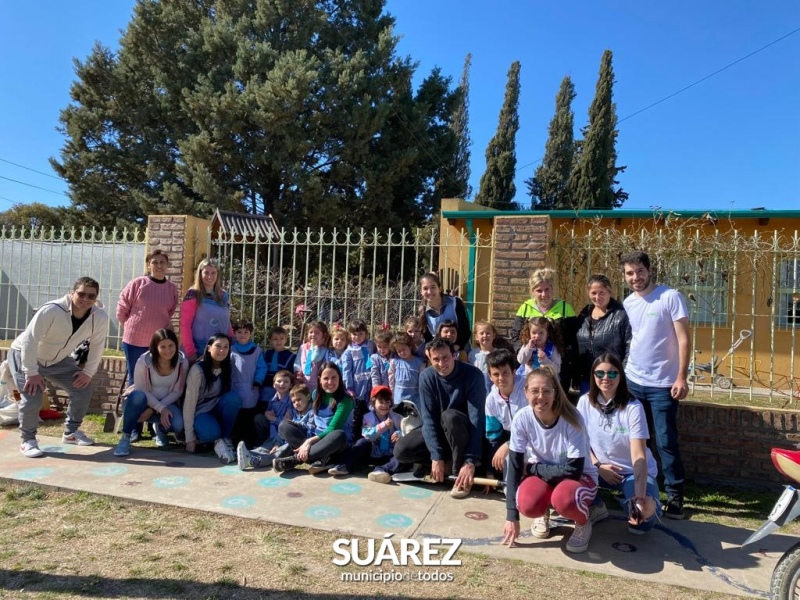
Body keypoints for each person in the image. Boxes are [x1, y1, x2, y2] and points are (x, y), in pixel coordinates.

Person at [621, 250, 690, 519]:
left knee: (665, 443)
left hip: (663, 384)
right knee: (637, 441)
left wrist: (681, 376)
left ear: (649, 271)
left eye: (639, 271)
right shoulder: (628, 303)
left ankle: (675, 497)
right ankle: (640, 490)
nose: (635, 277)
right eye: (629, 273)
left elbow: (683, 339)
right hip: (633, 381)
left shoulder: (670, 297)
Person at [10, 277, 109, 457]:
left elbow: (97, 346)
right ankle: (28, 440)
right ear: (72, 293)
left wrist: (87, 373)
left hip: (59, 360)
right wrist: (31, 372)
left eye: (91, 296)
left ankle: (71, 433)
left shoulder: (99, 317)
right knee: (33, 394)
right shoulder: (52, 310)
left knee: (83, 388)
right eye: (81, 294)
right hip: (26, 355)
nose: (86, 299)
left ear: (96, 298)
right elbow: (29, 340)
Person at [502, 367, 598, 553]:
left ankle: (583, 522)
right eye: (534, 391)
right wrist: (511, 516)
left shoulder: (572, 419)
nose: (541, 397)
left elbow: (573, 471)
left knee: (564, 499)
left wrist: (531, 469)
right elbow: (514, 466)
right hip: (547, 477)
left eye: (546, 391)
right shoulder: (522, 418)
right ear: (525, 392)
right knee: (527, 503)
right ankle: (543, 510)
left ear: (555, 392)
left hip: (579, 480)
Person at [388, 338, 486, 499]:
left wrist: (470, 461)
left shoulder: (473, 375)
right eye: (436, 359)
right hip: (441, 432)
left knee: (450, 417)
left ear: (453, 354)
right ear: (429, 358)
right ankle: (443, 463)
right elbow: (429, 420)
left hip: (463, 432)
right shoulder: (427, 376)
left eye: (445, 357)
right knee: (401, 450)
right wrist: (436, 456)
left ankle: (459, 474)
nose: (441, 364)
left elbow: (477, 420)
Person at [577, 353, 662, 535]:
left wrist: (639, 498)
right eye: (600, 374)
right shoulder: (585, 402)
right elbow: (581, 442)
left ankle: (646, 502)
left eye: (612, 374)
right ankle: (597, 505)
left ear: (620, 376)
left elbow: (639, 456)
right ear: (593, 376)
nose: (605, 378)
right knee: (570, 488)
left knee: (641, 523)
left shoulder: (633, 407)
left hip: (631, 472)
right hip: (598, 468)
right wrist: (597, 466)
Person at [116, 250, 179, 442]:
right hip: (134, 341)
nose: (159, 265)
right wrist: (131, 327)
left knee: (156, 383)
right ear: (148, 265)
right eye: (155, 262)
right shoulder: (138, 284)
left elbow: (169, 311)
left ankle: (156, 426)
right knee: (136, 385)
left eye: (162, 262)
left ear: (167, 265)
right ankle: (133, 427)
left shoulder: (171, 289)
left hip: (157, 345)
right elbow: (122, 308)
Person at [113, 329, 188, 456]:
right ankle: (125, 437)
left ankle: (159, 430)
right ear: (155, 347)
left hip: (166, 403)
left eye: (171, 346)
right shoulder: (144, 361)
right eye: (162, 347)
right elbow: (140, 389)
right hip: (141, 404)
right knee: (138, 396)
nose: (168, 350)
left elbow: (177, 391)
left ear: (176, 345)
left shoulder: (182, 362)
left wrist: (157, 409)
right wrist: (158, 408)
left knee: (178, 424)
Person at [273, 362, 354, 474]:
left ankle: (295, 460)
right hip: (315, 439)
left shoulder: (346, 401)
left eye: (333, 377)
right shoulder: (315, 394)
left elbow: (332, 429)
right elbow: (307, 414)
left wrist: (308, 443)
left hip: (335, 443)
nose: (330, 382)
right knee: (284, 425)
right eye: (326, 378)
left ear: (339, 378)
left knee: (338, 434)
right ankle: (321, 458)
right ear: (320, 380)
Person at [183, 333, 243, 464]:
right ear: (209, 348)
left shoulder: (228, 367)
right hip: (200, 411)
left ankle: (225, 439)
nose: (222, 350)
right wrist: (189, 438)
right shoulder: (198, 370)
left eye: (226, 347)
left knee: (234, 399)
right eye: (218, 346)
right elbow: (189, 403)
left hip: (215, 407)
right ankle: (202, 436)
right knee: (211, 433)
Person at [328, 385, 403, 476]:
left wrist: (399, 434)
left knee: (403, 453)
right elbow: (367, 435)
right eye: (381, 402)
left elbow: (402, 430)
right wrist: (383, 426)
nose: (384, 406)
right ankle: (344, 466)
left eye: (387, 402)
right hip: (373, 453)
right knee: (362, 442)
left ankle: (382, 471)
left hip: (389, 453)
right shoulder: (368, 417)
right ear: (373, 402)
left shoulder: (394, 417)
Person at [236, 383, 314, 471]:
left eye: (299, 400)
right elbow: (282, 431)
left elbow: (309, 431)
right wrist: (277, 443)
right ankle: (249, 454)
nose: (296, 403)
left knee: (281, 451)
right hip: (284, 439)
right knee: (270, 443)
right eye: (294, 402)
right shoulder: (292, 412)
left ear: (307, 397)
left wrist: (293, 425)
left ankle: (255, 460)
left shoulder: (312, 412)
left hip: (297, 444)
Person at [575, 274, 631, 393]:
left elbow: (629, 346)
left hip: (611, 378)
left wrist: (621, 374)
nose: (597, 296)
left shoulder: (621, 315)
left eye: (601, 292)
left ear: (609, 292)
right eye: (594, 293)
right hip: (588, 379)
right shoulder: (584, 315)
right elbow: (577, 346)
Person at [484, 349, 527, 480]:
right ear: (490, 376)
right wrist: (489, 471)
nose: (501, 378)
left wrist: (508, 444)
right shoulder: (491, 400)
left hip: (536, 440)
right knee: (509, 484)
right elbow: (493, 435)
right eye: (496, 374)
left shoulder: (528, 389)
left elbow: (537, 428)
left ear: (514, 372)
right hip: (512, 440)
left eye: (505, 373)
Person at [180, 258, 232, 364]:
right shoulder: (193, 294)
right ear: (200, 274)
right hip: (199, 351)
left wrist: (232, 342)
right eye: (206, 272)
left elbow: (227, 322)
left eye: (213, 273)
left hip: (221, 351)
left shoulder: (223, 296)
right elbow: (185, 325)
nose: (210, 276)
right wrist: (190, 351)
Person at [509, 267, 575, 349]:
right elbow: (515, 335)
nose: (544, 294)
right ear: (532, 291)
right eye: (539, 291)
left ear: (552, 289)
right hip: (530, 359)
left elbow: (573, 338)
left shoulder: (565, 308)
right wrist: (523, 355)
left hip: (557, 360)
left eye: (547, 289)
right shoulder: (525, 308)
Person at [230, 319, 269, 447]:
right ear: (234, 333)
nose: (243, 335)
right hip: (234, 388)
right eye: (239, 332)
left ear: (250, 333)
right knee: (237, 416)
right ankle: (235, 441)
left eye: (246, 332)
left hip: (251, 388)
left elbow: (262, 367)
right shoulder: (231, 349)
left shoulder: (256, 350)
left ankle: (249, 442)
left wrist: (258, 381)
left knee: (249, 416)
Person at [417, 273, 471, 353]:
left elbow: (465, 330)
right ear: (421, 291)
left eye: (433, 287)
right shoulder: (422, 311)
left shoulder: (455, 303)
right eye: (425, 288)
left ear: (440, 288)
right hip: (439, 353)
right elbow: (428, 337)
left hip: (460, 350)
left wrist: (456, 347)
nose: (429, 291)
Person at [342, 319, 375, 439]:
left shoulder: (371, 345)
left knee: (371, 414)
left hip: (371, 384)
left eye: (360, 333)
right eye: (354, 334)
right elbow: (346, 371)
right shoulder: (349, 352)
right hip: (358, 388)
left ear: (366, 333)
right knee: (358, 415)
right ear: (350, 335)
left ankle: (371, 438)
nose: (357, 337)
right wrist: (349, 387)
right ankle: (356, 438)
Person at [253, 369, 293, 447]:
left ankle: (271, 444)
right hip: (273, 426)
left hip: (283, 429)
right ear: (274, 384)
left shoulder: (291, 400)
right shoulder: (272, 399)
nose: (282, 384)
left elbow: (288, 421)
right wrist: (269, 416)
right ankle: (263, 441)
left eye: (286, 382)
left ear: (290, 385)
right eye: (279, 381)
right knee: (259, 418)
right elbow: (269, 415)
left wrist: (274, 419)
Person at [294, 321, 334, 391]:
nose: (313, 334)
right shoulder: (303, 347)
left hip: (316, 383)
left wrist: (315, 346)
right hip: (303, 381)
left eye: (317, 333)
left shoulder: (323, 349)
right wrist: (297, 371)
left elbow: (314, 358)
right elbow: (297, 362)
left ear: (323, 335)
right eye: (311, 332)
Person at [388, 333, 425, 407]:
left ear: (410, 347)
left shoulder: (419, 363)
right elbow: (391, 379)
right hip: (398, 396)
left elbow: (422, 381)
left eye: (404, 349)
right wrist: (391, 394)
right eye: (399, 351)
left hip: (414, 397)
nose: (402, 352)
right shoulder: (394, 362)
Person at [262, 326, 296, 398]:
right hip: (267, 386)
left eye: (281, 339)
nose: (278, 341)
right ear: (270, 340)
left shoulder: (291, 356)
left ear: (286, 340)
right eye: (275, 339)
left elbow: (292, 374)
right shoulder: (267, 354)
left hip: (283, 387)